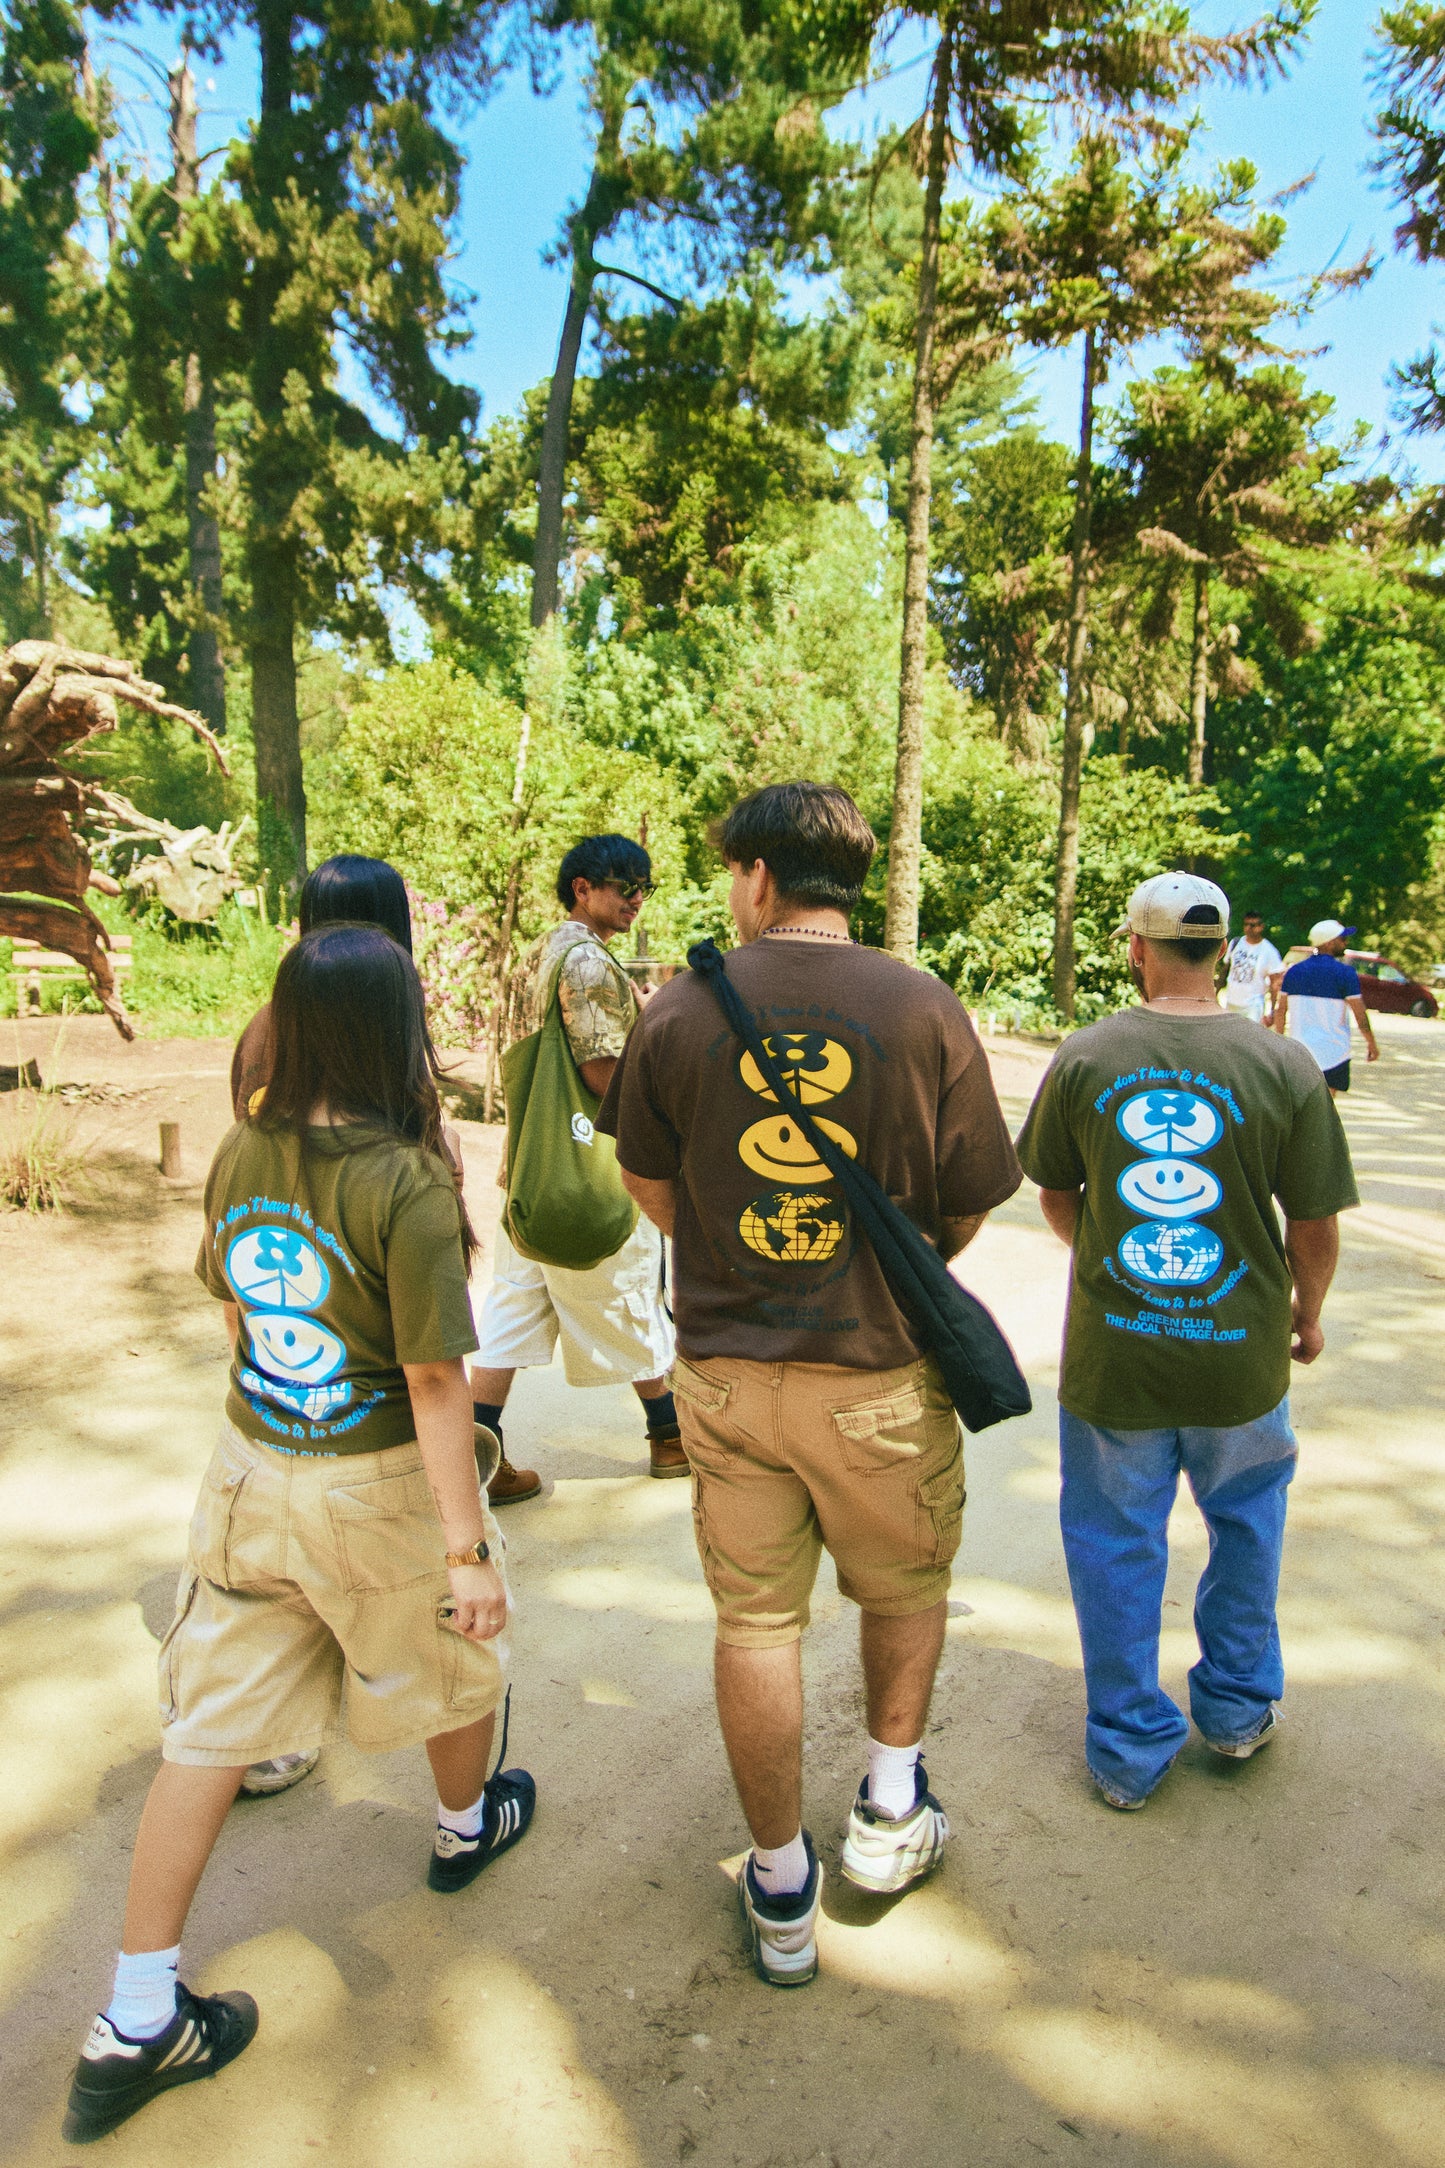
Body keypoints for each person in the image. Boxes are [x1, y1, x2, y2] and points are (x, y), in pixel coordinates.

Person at [61, 926, 535, 2145]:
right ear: (398, 1031)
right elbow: (438, 1382)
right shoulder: (407, 1185)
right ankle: (463, 1822)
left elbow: (234, 1304)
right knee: (452, 1661)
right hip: (370, 1480)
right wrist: (465, 1549)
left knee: (206, 1732)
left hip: (250, 1463)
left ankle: (133, 2010)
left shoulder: (239, 1146)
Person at [597, 782, 1021, 1987]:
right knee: (901, 1582)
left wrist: (734, 1247)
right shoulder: (921, 1003)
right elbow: (967, 1194)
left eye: (733, 871)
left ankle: (778, 1882)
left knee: (755, 1620)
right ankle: (888, 1811)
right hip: (876, 1370)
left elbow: (651, 1186)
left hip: (726, 1376)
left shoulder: (678, 1007)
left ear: (761, 879)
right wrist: (896, 1259)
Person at [1015, 872, 1359, 1812]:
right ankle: (1239, 1712)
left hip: (1113, 1356)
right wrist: (1306, 1311)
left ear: (1135, 947)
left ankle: (1128, 1752)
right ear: (1220, 952)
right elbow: (1315, 1221)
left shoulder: (1086, 1055)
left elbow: (1055, 1193)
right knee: (1247, 1525)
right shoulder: (1281, 1064)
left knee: (1114, 1543)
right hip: (1239, 1359)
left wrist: (1104, 1263)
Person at [230, 854, 474, 1802]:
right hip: (357, 1336)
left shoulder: (290, 1021)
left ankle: (273, 1725)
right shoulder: (340, 1029)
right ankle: (308, 1733)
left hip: (294, 1324)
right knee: (370, 1570)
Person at [471, 834, 681, 1489]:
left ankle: (482, 1456)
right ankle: (670, 1438)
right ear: (582, 890)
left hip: (530, 1170)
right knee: (628, 1295)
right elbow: (600, 1072)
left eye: (642, 886)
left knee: (511, 1308)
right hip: (587, 1171)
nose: (636, 898)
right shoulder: (588, 963)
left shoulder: (537, 954)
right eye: (622, 886)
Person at [1274, 916, 1380, 1094]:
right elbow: (1360, 1015)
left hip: (1300, 1054)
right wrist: (1371, 1044)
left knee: (1300, 1110)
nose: (1346, 943)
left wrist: (1279, 1042)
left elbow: (1280, 1011)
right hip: (1334, 1053)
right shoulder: (1346, 973)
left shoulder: (1294, 972)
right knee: (1327, 1110)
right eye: (1342, 939)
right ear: (1329, 943)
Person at [1221, 909, 1282, 1025]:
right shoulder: (1235, 943)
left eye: (1253, 925)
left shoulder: (1269, 951)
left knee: (1250, 1039)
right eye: (1246, 924)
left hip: (1253, 1004)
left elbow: (1275, 984)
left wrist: (1272, 1012)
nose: (1249, 928)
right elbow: (1226, 969)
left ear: (1261, 927)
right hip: (1231, 1001)